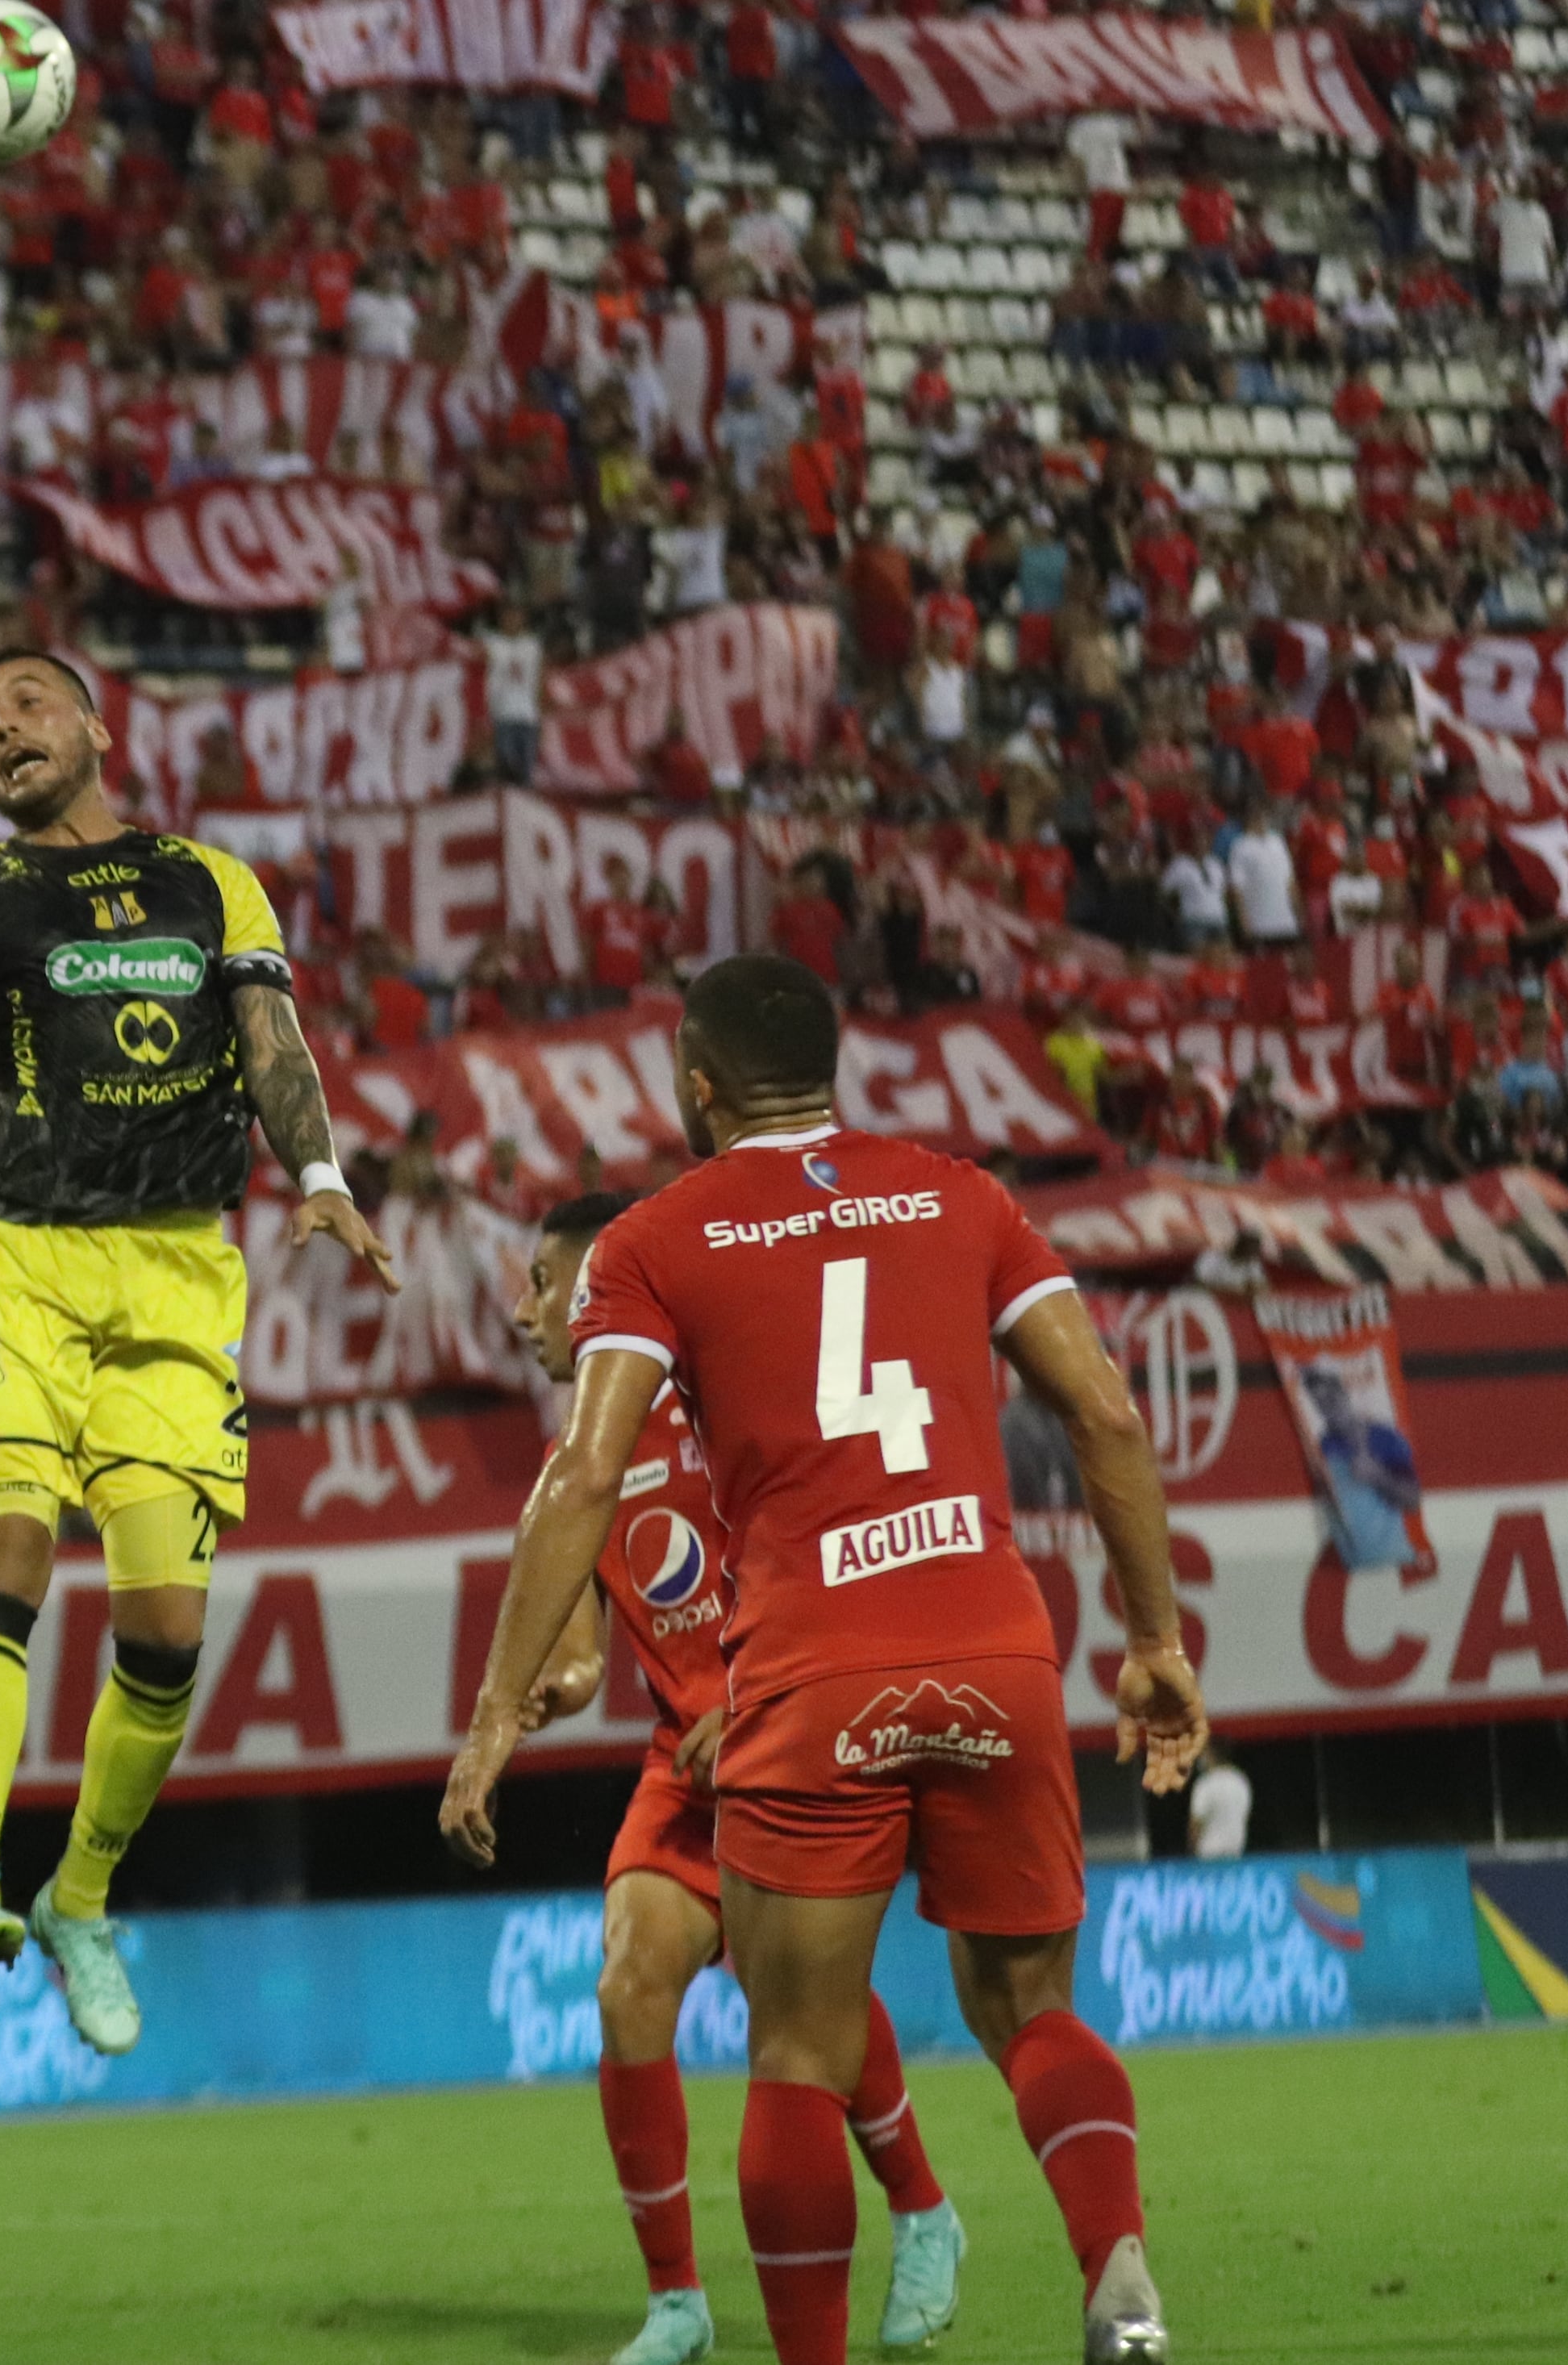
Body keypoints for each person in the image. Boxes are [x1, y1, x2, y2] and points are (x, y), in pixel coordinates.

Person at [444, 955, 1203, 2365]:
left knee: (796, 2049)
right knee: (1030, 2008)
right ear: (832, 1065)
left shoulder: (655, 1240)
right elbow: (1103, 1411)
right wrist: (1155, 1639)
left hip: (812, 1669)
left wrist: (494, 1711)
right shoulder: (963, 1192)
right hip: (993, 1642)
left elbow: (582, 1475)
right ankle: (1124, 2276)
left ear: (697, 1081)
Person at [0, 647, 396, 2051]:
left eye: (22, 703)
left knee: (166, 1630)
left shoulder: (213, 881)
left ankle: (80, 1897)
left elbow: (271, 1037)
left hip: (178, 1267)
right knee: (3, 1542)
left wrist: (319, 1170)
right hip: (13, 1251)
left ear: (94, 725)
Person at [503, 1195, 965, 2365]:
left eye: (543, 1282)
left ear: (604, 1286)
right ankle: (677, 2304)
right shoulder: (576, 1475)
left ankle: (923, 2209)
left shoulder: (728, 1411)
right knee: (627, 1985)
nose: (526, 1312)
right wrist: (548, 1687)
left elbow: (825, 1556)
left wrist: (757, 1700)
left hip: (791, 1735)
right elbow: (581, 1649)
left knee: (795, 1999)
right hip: (685, 1763)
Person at [1186, 1740, 1252, 1859]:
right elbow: (1245, 1817)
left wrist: (1192, 1853)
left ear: (1212, 1755)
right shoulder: (1240, 1780)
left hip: (1209, 1855)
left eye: (1204, 1753)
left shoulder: (1205, 1783)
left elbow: (1195, 1825)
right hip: (1236, 1851)